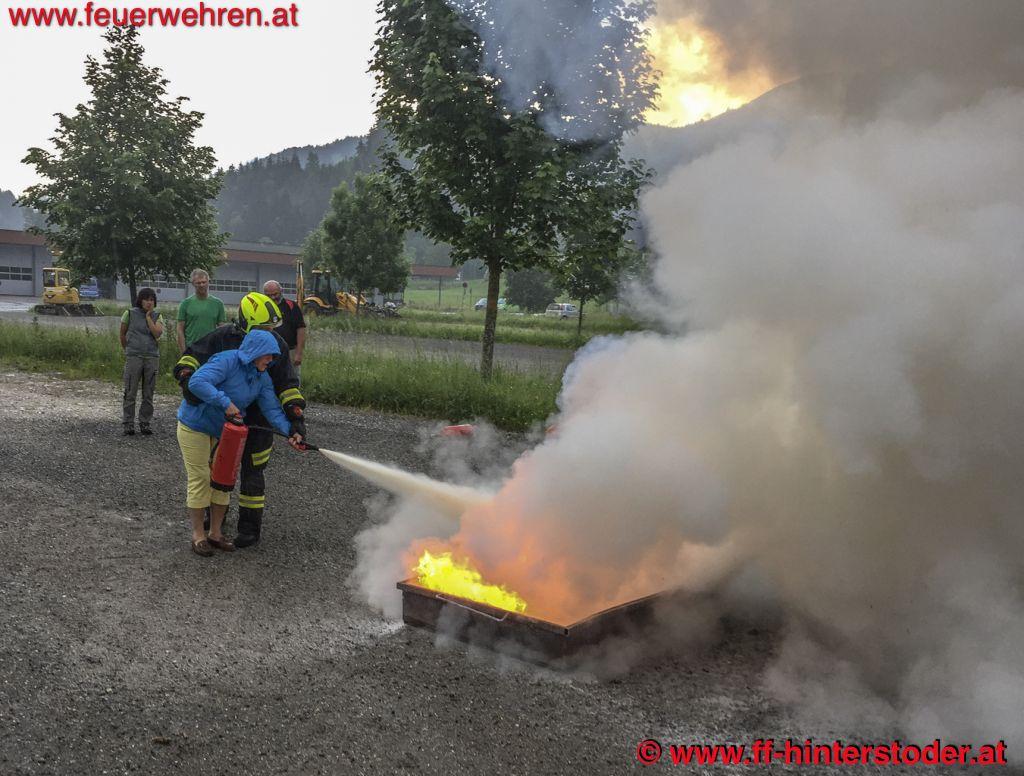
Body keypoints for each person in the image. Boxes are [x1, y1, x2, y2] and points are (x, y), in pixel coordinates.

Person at [173, 292, 307, 548]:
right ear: (247, 324)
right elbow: (193, 356)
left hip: (257, 423)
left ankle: (249, 529)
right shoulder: (224, 341)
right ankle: (211, 527)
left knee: (253, 471)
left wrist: (293, 423)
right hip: (221, 423)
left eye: (270, 327)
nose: (270, 333)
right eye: (262, 328)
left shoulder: (272, 349)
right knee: (217, 472)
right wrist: (187, 375)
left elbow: (285, 387)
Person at [119, 287, 164, 436]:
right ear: (140, 300)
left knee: (148, 392)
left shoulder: (158, 316)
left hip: (151, 357)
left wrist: (149, 318)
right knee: (130, 390)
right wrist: (128, 349)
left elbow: (157, 333)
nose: (149, 302)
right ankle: (128, 423)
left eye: (152, 300)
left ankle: (145, 422)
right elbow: (122, 333)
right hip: (134, 356)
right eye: (146, 299)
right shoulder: (130, 313)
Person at [263, 279, 306, 382]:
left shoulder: (291, 306)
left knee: (292, 379)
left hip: (290, 351)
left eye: (275, 294)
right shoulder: (262, 307)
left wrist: (299, 353)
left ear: (281, 291)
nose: (273, 297)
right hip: (267, 352)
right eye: (269, 295)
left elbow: (301, 329)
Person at [176, 268, 226, 353]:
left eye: (204, 282)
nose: (201, 285)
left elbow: (222, 329)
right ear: (193, 284)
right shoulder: (185, 303)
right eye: (198, 283)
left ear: (208, 282)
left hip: (211, 349)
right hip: (191, 349)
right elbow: (180, 330)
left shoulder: (218, 304)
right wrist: (184, 352)